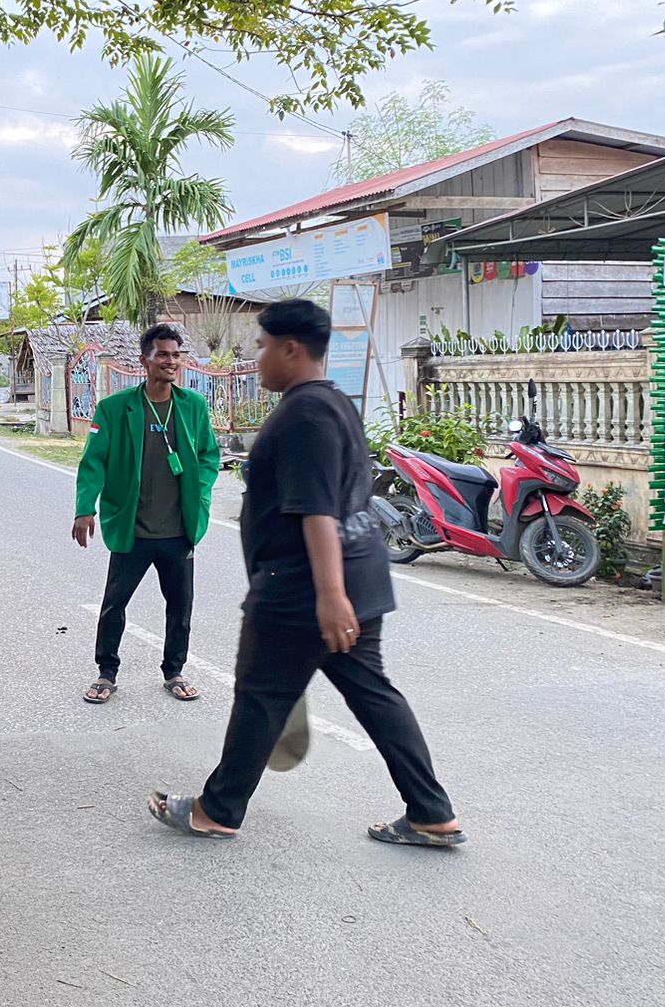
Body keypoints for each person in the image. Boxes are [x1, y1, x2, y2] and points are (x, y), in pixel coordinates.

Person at [147, 299, 465, 846]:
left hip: (303, 592)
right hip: (355, 580)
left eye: (264, 345)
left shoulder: (303, 416)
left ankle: (217, 810)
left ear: (292, 348)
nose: (259, 356)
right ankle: (431, 813)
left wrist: (329, 595)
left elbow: (316, 510)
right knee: (372, 695)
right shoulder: (334, 403)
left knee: (261, 695)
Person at [73, 324, 220, 704]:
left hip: (178, 529)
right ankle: (106, 673)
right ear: (145, 361)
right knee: (114, 605)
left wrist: (201, 493)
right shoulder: (114, 408)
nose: (171, 361)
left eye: (176, 354)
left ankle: (174, 671)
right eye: (163, 355)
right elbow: (93, 462)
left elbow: (209, 455)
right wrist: (84, 509)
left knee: (181, 607)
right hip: (131, 529)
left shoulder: (192, 405)